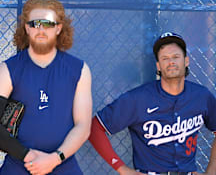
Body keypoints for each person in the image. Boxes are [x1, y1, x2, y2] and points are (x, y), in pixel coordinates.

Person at [0, 0, 92, 175]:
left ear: (58, 27)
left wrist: (54, 159)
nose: (40, 30)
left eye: (47, 24)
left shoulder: (79, 70)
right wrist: (29, 157)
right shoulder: (7, 69)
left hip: (63, 164)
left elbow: (83, 126)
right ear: (26, 28)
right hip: (20, 165)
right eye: (34, 24)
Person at [88, 32, 216, 175]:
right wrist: (122, 169)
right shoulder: (138, 98)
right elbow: (95, 127)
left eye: (176, 57)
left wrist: (211, 171)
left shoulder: (201, 96)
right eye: (165, 58)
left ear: (186, 61)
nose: (171, 62)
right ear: (158, 66)